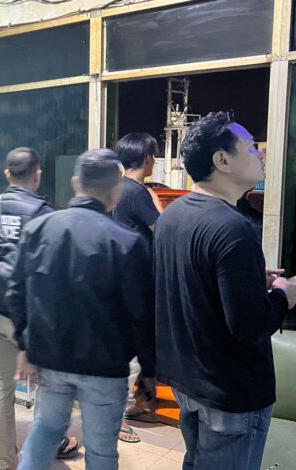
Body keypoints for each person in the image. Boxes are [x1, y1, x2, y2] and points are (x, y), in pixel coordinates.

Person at [154, 111, 296, 470]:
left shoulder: (173, 215)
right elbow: (250, 326)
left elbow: (192, 281)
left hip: (189, 380)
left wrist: (250, 278)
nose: (260, 153)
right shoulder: (232, 228)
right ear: (222, 160)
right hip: (231, 391)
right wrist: (283, 295)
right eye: (251, 147)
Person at [10, 149, 157, 470]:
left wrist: (24, 346)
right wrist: (149, 368)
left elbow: (16, 292)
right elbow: (142, 315)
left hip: (51, 359)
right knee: (102, 451)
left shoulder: (39, 229)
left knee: (45, 432)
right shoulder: (128, 242)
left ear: (76, 183)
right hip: (106, 366)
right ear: (116, 193)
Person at [0, 147, 79, 469]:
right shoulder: (44, 214)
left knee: (0, 385)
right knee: (44, 386)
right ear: (38, 175)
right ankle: (40, 455)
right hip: (30, 319)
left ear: (7, 174)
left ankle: (6, 461)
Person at [112, 133, 164, 443]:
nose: (154, 160)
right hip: (135, 284)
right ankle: (118, 417)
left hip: (120, 280)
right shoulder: (138, 192)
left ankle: (133, 405)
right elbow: (164, 230)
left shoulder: (116, 188)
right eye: (153, 155)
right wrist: (156, 203)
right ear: (146, 159)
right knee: (133, 353)